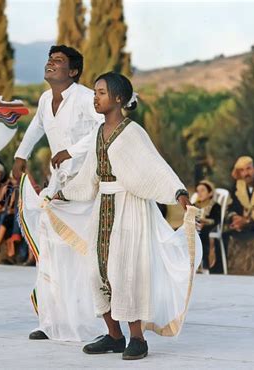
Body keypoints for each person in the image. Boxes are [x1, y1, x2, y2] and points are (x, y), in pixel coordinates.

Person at [57, 72, 201, 360]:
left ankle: (137, 338)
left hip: (130, 207)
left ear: (119, 99)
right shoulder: (99, 132)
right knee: (97, 270)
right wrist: (64, 193)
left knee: (126, 272)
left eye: (101, 92)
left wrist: (178, 193)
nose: (95, 97)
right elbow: (90, 174)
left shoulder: (133, 132)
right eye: (94, 92)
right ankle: (113, 335)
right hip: (104, 206)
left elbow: (155, 167)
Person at [14, 45, 104, 341]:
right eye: (50, 60)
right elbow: (37, 127)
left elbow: (104, 126)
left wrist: (71, 151)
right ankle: (50, 322)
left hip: (85, 185)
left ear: (73, 71)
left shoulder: (84, 97)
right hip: (59, 184)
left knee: (80, 252)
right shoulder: (43, 99)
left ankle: (93, 321)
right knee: (51, 250)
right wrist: (20, 156)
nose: (51, 64)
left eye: (59, 61)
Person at [193, 180, 221, 273]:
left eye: (202, 190)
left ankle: (205, 264)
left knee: (203, 233)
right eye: (198, 191)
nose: (199, 193)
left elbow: (216, 220)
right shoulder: (194, 205)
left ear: (210, 193)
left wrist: (204, 221)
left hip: (210, 227)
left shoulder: (215, 206)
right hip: (196, 227)